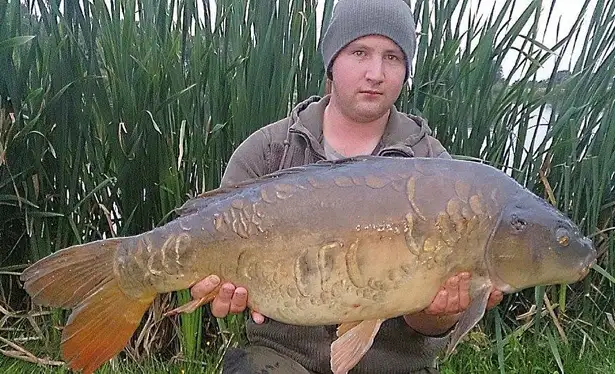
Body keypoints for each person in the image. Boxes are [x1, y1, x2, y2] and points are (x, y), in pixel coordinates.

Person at [190, 0, 503, 372]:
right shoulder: (269, 152)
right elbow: (213, 258)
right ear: (332, 61)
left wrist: (439, 314)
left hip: (395, 365)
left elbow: (432, 327)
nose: (376, 73)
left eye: (392, 58)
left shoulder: (436, 172)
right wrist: (213, 286)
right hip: (282, 356)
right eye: (359, 52)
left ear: (405, 70)